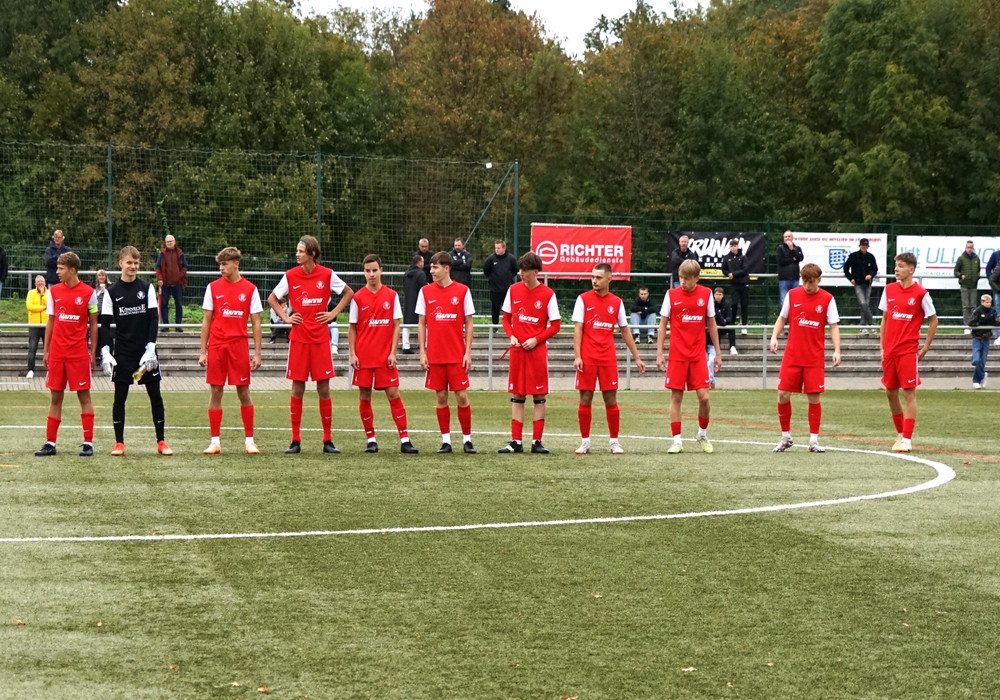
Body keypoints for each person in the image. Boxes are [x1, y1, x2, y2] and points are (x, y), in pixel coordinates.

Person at [268, 235, 353, 454]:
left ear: (312, 254)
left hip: (320, 339)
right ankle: (295, 440)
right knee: (297, 389)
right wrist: (286, 318)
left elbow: (348, 293)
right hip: (298, 339)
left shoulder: (327, 274)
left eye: (301, 251)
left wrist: (332, 314)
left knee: (323, 389)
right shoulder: (290, 275)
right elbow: (272, 299)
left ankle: (327, 440)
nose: (297, 254)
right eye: (297, 250)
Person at [99, 246, 171, 457]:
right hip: (123, 353)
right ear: (120, 263)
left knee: (155, 396)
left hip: (145, 353)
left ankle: (161, 441)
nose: (133, 266)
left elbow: (153, 319)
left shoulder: (146, 288)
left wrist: (151, 347)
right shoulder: (111, 292)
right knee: (120, 397)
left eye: (136, 263)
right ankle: (119, 443)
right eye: (129, 262)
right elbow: (105, 324)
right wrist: (105, 351)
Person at [572, 263, 646, 454]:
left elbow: (625, 330)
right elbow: (578, 329)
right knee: (585, 398)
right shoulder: (583, 299)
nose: (594, 281)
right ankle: (585, 442)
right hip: (587, 357)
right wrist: (578, 356)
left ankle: (614, 441)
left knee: (610, 399)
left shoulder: (616, 302)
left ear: (609, 279)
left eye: (598, 277)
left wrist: (637, 357)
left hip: (607, 358)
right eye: (592, 277)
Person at [349, 254, 419, 454]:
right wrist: (353, 354)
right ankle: (371, 439)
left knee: (393, 393)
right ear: (364, 272)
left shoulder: (391, 295)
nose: (371, 274)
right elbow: (352, 327)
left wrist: (392, 352)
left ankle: (405, 439)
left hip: (384, 356)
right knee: (364, 395)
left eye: (374, 270)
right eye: (367, 271)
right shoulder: (357, 297)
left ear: (381, 270)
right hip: (363, 355)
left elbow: (396, 325)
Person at [769, 263, 842, 453]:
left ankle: (814, 441)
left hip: (814, 357)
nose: (807, 286)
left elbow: (834, 326)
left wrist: (837, 350)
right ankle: (786, 437)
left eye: (811, 282)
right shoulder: (792, 295)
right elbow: (782, 317)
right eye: (804, 281)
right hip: (792, 355)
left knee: (814, 398)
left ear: (819, 280)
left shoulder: (827, 299)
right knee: (783, 394)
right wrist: (774, 337)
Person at [199, 247, 263, 455]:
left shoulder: (250, 289)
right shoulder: (212, 288)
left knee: (243, 391)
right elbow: (206, 321)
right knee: (216, 391)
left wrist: (257, 353)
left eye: (225, 264)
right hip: (217, 346)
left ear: (236, 264)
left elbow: (256, 323)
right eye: (220, 264)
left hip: (239, 346)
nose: (221, 268)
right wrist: (203, 351)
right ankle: (214, 442)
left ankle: (250, 442)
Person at [34, 252, 98, 457]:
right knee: (55, 397)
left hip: (78, 354)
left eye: (61, 268)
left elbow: (94, 324)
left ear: (72, 270)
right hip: (57, 353)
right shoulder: (54, 292)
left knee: (84, 396)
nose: (57, 272)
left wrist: (93, 352)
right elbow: (51, 321)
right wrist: (46, 350)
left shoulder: (89, 293)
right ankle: (50, 443)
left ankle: (88, 443)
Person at [497, 251, 561, 454]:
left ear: (535, 272)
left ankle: (537, 441)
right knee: (517, 395)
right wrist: (511, 336)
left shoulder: (548, 294)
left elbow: (556, 325)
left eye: (524, 270)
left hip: (537, 352)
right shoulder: (513, 290)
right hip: (517, 352)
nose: (521, 273)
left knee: (539, 396)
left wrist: (536, 340)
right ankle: (516, 441)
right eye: (520, 270)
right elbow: (505, 319)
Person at [656, 259, 720, 454]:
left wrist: (718, 353)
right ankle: (677, 441)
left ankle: (702, 434)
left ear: (696, 278)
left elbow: (711, 324)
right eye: (680, 277)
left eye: (686, 278)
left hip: (698, 355)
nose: (682, 281)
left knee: (704, 397)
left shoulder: (706, 294)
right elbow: (662, 324)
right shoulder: (671, 295)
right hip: (677, 355)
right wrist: (659, 352)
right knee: (676, 397)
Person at [418, 251, 477, 453]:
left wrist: (467, 352)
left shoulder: (463, 291)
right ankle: (446, 441)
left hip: (456, 354)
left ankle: (467, 440)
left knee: (461, 396)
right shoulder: (425, 292)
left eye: (435, 267)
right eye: (431, 267)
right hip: (435, 355)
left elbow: (469, 323)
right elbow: (421, 323)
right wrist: (422, 352)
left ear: (446, 268)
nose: (431, 271)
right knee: (441, 396)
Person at [879, 252, 938, 453]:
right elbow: (885, 319)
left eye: (901, 266)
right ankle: (900, 434)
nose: (896, 269)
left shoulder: (921, 294)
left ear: (911, 269)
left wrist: (926, 347)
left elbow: (933, 320)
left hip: (907, 351)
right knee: (890, 392)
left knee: (909, 393)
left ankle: (907, 438)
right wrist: (882, 347)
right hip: (890, 351)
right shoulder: (889, 290)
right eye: (896, 265)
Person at [843, 238, 878, 332]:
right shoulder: (853, 256)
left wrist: (870, 275)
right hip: (858, 283)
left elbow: (875, 269)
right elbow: (846, 268)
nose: (864, 247)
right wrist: (851, 278)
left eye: (865, 245)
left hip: (867, 284)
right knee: (863, 303)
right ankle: (871, 324)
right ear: (859, 246)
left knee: (865, 304)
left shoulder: (871, 257)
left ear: (868, 246)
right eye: (862, 245)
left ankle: (863, 326)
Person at [482, 240, 519, 329]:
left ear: (504, 248)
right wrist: (492, 279)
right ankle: (495, 327)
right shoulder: (491, 259)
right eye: (495, 248)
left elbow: (515, 270)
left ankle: (510, 327)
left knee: (509, 309)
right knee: (495, 309)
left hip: (507, 290)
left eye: (498, 248)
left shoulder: (511, 259)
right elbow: (486, 271)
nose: (497, 250)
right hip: (495, 290)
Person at [155, 234, 188, 332]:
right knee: (164, 305)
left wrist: (179, 276)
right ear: (165, 243)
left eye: (171, 241)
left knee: (179, 305)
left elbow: (185, 267)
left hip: (177, 284)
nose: (169, 243)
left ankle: (178, 326)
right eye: (167, 242)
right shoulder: (162, 254)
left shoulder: (180, 253)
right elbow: (158, 267)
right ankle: (166, 326)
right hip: (165, 284)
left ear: (174, 242)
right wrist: (160, 279)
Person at [721, 238, 750, 336]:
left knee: (744, 305)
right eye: (732, 246)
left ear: (738, 247)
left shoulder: (743, 257)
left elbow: (745, 270)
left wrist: (734, 274)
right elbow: (723, 269)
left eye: (735, 246)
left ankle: (744, 326)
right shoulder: (726, 258)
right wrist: (728, 274)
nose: (733, 248)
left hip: (744, 284)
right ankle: (732, 326)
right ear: (730, 247)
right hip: (734, 285)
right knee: (733, 304)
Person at [969, 294, 997, 389]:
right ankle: (982, 375)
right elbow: (971, 322)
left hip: (986, 339)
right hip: (977, 338)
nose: (988, 304)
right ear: (982, 302)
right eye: (986, 302)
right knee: (976, 360)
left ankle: (976, 381)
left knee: (982, 361)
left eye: (990, 302)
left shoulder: (993, 311)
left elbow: (994, 322)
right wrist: (977, 323)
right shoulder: (977, 311)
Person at [401, 255, 426, 354]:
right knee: (423, 322)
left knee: (406, 324)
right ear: (419, 262)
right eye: (422, 262)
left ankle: (405, 346)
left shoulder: (406, 273)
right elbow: (424, 288)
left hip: (408, 300)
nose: (423, 264)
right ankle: (425, 344)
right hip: (419, 300)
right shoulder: (421, 273)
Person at [953, 240, 981, 332]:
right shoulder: (961, 258)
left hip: (973, 286)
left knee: (973, 306)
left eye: (971, 247)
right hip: (964, 285)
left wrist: (976, 277)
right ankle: (966, 326)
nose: (969, 249)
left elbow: (978, 270)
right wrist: (961, 275)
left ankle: (972, 325)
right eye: (968, 247)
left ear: (973, 248)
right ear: (965, 248)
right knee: (966, 307)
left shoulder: (976, 258)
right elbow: (955, 271)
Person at [25, 275, 47, 379]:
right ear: (35, 284)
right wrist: (43, 307)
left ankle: (50, 370)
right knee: (32, 348)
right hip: (34, 325)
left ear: (45, 282)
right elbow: (30, 307)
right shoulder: (31, 293)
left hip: (47, 325)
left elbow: (50, 306)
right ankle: (30, 370)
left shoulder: (49, 293)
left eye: (42, 281)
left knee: (48, 349)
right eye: (38, 281)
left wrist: (43, 295)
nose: (40, 283)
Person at [776, 230, 804, 310]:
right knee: (783, 301)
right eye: (786, 237)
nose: (787, 238)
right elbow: (781, 261)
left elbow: (800, 258)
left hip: (795, 279)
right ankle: (783, 317)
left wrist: (792, 250)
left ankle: (794, 316)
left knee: (795, 301)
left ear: (792, 237)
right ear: (783, 238)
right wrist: (793, 259)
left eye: (789, 236)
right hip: (784, 279)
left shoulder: (797, 248)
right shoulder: (780, 248)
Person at [710, 287, 735, 377]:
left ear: (723, 295)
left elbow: (730, 317)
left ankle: (732, 347)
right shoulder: (711, 304)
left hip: (723, 325)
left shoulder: (727, 304)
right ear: (714, 295)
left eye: (720, 294)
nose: (718, 296)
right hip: (714, 327)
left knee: (731, 326)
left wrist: (724, 321)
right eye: (716, 294)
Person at [986, 248, 1000, 344]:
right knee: (998, 312)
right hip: (998, 292)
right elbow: (991, 279)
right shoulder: (996, 256)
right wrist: (997, 289)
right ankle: (998, 335)